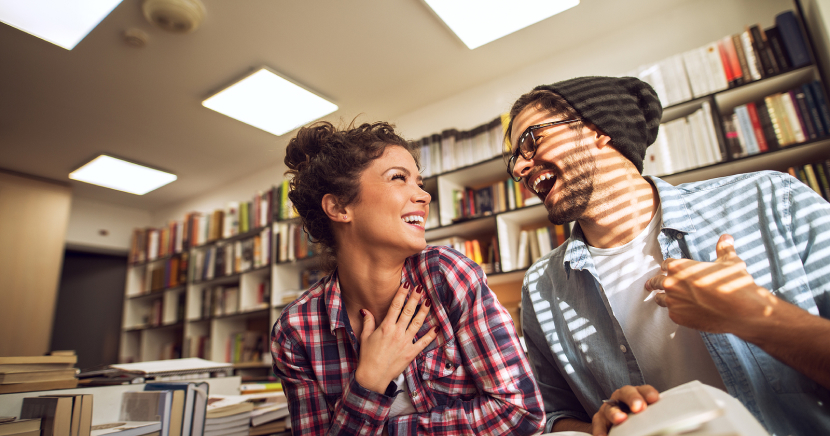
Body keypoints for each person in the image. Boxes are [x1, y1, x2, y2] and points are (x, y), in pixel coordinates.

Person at [506, 76, 830, 436]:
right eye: (515, 161)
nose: (519, 169)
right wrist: (599, 427)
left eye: (530, 142)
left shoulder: (770, 200)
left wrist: (755, 316)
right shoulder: (541, 286)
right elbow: (552, 415)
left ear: (598, 129)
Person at [270, 120, 544, 435]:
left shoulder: (447, 275)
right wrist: (369, 380)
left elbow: (521, 411)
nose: (424, 196)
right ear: (339, 206)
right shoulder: (296, 331)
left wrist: (379, 419)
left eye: (420, 181)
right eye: (399, 178)